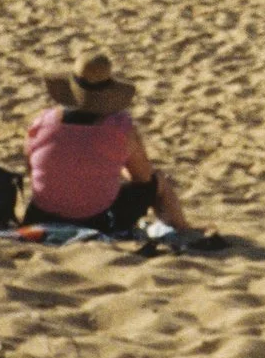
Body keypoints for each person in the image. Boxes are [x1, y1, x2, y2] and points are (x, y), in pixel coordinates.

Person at [24, 52, 198, 237]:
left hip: (40, 216)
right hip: (98, 220)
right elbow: (143, 177)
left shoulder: (41, 122)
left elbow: (31, 169)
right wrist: (117, 170)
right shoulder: (119, 128)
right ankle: (184, 230)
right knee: (158, 181)